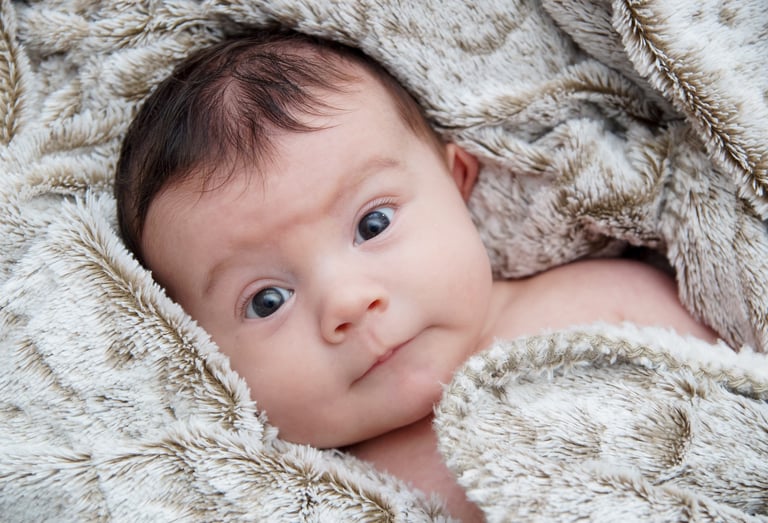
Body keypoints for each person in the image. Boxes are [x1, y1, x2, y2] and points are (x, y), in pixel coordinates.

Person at [114, 30, 717, 521]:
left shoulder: (612, 294)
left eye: (372, 224)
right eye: (267, 300)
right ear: (200, 349)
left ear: (458, 182)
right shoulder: (319, 494)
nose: (347, 303)